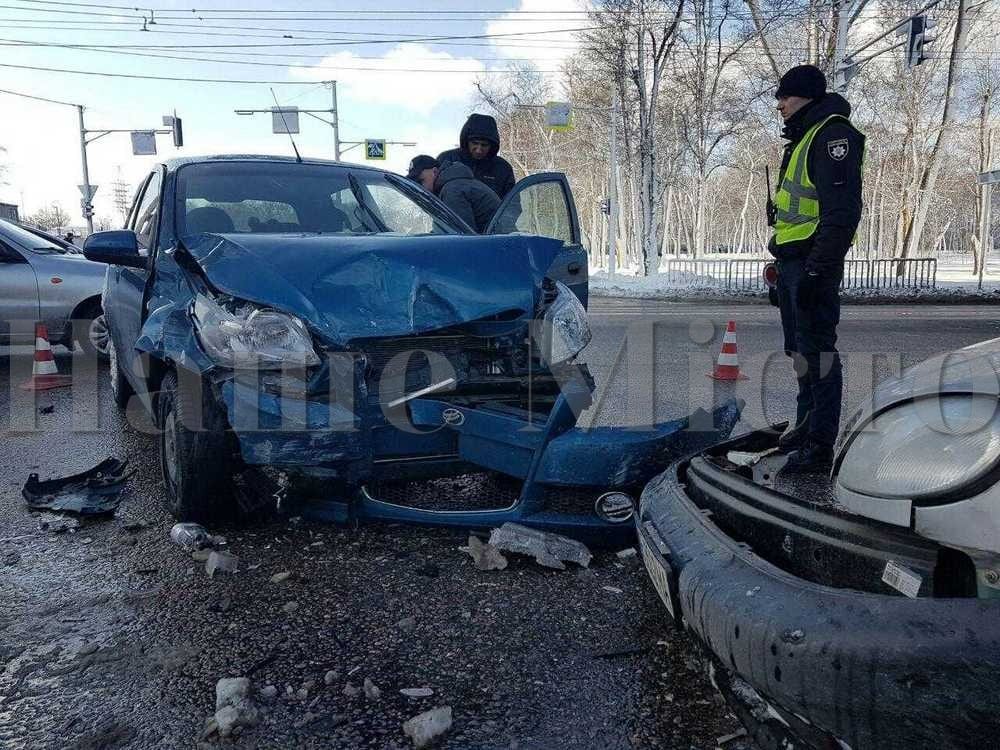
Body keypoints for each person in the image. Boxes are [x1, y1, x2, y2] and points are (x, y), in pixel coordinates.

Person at [768, 64, 864, 474]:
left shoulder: (832, 135)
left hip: (812, 265)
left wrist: (815, 272)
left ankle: (819, 446)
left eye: (785, 97)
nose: (780, 105)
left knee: (819, 355)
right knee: (802, 353)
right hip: (794, 263)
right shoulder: (805, 136)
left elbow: (841, 214)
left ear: (805, 96)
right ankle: (805, 425)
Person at [406, 154, 501, 234]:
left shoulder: (453, 190)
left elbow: (462, 236)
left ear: (435, 172)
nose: (418, 187)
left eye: (420, 181)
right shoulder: (455, 184)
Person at [436, 114, 516, 199]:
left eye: (484, 145)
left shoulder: (502, 168)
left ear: (492, 146)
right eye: (474, 143)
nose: (479, 150)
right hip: (448, 211)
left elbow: (512, 205)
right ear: (466, 142)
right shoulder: (447, 159)